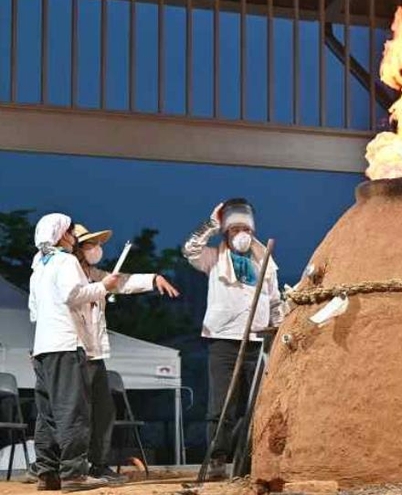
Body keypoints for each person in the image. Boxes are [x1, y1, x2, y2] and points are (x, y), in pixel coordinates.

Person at [181, 199, 283, 480]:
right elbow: (190, 250)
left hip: (257, 341)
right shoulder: (213, 257)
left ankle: (250, 459)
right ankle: (217, 459)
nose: (242, 234)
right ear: (226, 231)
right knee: (221, 405)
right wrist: (212, 224)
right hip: (223, 341)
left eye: (245, 228)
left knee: (256, 404)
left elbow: (275, 302)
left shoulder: (265, 261)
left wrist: (278, 330)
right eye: (235, 227)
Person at [71, 224, 181, 483]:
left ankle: (98, 464)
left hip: (93, 352)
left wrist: (153, 279)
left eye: (97, 244)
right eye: (89, 245)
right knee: (75, 412)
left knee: (104, 410)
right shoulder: (69, 274)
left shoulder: (94, 274)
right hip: (74, 350)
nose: (96, 249)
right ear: (77, 249)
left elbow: (120, 282)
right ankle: (69, 466)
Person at [28, 214, 119, 492]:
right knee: (72, 411)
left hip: (43, 346)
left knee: (47, 415)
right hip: (66, 344)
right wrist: (104, 287)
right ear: (62, 235)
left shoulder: (38, 265)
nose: (74, 238)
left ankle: (47, 473)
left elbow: (34, 310)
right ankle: (73, 474)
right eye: (71, 232)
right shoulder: (65, 261)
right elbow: (72, 294)